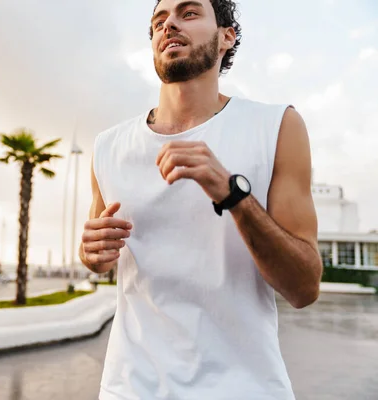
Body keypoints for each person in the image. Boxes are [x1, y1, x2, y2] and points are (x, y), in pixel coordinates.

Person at [79, 1, 323, 399]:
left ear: (227, 36)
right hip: (131, 388)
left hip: (245, 388)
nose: (169, 23)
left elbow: (304, 287)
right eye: (159, 20)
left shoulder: (277, 126)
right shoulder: (107, 147)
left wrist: (234, 195)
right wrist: (91, 253)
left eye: (189, 13)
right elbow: (98, 257)